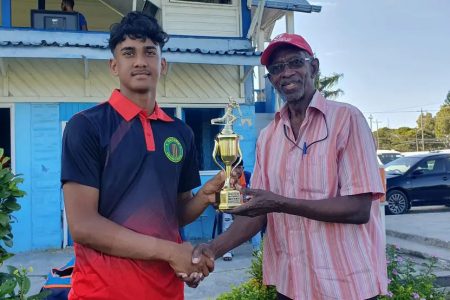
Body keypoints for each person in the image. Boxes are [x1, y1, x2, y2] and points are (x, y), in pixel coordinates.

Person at [192, 33, 388, 300]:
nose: (286, 73)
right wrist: (212, 249)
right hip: (292, 286)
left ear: (314, 67)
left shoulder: (347, 120)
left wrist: (279, 203)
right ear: (271, 79)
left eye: (295, 62)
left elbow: (358, 208)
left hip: (346, 285)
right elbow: (259, 212)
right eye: (276, 69)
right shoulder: (268, 137)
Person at [61, 12, 222, 299]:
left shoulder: (181, 133)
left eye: (149, 52)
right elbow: (83, 225)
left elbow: (174, 215)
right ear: (114, 65)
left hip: (167, 291)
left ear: (163, 64)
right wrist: (172, 251)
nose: (139, 61)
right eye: (128, 53)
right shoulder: (86, 126)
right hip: (101, 292)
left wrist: (205, 196)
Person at [221, 159, 261, 261]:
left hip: (245, 206)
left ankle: (257, 249)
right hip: (230, 206)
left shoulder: (248, 176)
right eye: (235, 168)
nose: (238, 170)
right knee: (226, 220)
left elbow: (253, 193)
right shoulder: (225, 177)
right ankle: (227, 251)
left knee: (255, 220)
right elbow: (221, 195)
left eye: (240, 167)